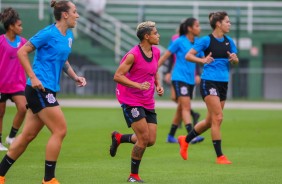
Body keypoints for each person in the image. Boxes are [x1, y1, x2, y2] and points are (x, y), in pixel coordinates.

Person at [0, 1, 86, 183]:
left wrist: (75, 76)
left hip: (49, 90)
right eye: (75, 12)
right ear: (65, 14)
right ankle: (49, 179)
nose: (77, 16)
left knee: (27, 136)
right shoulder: (48, 33)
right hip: (39, 88)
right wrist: (33, 76)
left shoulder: (68, 35)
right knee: (60, 130)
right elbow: (22, 52)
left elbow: (63, 60)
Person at [179, 11, 239, 164]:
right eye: (227, 21)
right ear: (218, 24)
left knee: (209, 121)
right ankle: (220, 156)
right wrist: (202, 59)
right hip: (208, 82)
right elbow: (188, 55)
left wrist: (234, 59)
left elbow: (235, 61)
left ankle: (185, 140)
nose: (229, 24)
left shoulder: (229, 41)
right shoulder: (206, 40)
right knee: (218, 118)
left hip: (223, 83)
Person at [110, 21, 164, 183]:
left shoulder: (156, 52)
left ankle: (119, 138)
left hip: (147, 100)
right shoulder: (133, 54)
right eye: (155, 33)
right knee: (143, 138)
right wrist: (138, 85)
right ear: (146, 36)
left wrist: (158, 85)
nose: (158, 35)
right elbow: (117, 76)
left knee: (151, 140)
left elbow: (154, 71)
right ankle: (133, 176)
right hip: (130, 98)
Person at [158, 18, 205, 144]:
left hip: (190, 80)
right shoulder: (179, 41)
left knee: (181, 107)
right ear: (190, 28)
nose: (199, 28)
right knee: (186, 106)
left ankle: (170, 136)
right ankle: (191, 135)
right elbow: (166, 56)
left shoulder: (198, 43)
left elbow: (203, 59)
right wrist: (153, 68)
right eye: (197, 25)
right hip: (179, 78)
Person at [0, 7, 27, 151]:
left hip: (17, 84)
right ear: (11, 26)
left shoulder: (23, 42)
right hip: (1, 84)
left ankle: (11, 137)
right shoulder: (0, 42)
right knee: (0, 113)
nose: (21, 28)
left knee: (23, 108)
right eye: (19, 25)